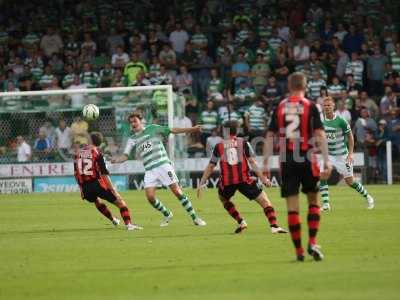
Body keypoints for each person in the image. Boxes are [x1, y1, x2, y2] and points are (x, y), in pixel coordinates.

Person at [264, 72, 332, 262]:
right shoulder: (310, 106)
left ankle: (299, 252)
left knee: (292, 207)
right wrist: (326, 161)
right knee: (313, 201)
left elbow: (270, 136)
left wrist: (264, 164)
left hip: (287, 160)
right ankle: (312, 241)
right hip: (308, 158)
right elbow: (319, 135)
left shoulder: (281, 106)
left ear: (289, 85)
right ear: (305, 86)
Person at [112, 111, 206, 227]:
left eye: (135, 121)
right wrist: (116, 160)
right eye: (131, 122)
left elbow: (172, 130)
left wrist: (192, 129)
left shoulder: (153, 128)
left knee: (177, 191)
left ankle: (195, 218)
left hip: (163, 165)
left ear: (141, 121)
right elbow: (125, 156)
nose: (133, 124)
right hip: (150, 170)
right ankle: (167, 214)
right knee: (150, 197)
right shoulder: (132, 139)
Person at [197, 120, 287, 234]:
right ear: (237, 131)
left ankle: (241, 221)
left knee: (223, 199)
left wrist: (202, 183)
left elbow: (211, 166)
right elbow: (252, 162)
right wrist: (263, 179)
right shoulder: (243, 143)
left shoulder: (219, 146)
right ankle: (274, 226)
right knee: (265, 201)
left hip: (227, 181)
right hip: (245, 179)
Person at [74, 132, 142, 231]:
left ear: (90, 140)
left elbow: (76, 173)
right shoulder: (97, 152)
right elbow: (104, 174)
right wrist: (113, 189)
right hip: (96, 184)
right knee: (121, 203)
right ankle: (129, 225)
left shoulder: (78, 153)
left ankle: (113, 220)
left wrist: (81, 189)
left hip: (85, 187)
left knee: (96, 201)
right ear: (99, 143)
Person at [319, 96, 375, 211]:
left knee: (350, 181)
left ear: (333, 106)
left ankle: (368, 197)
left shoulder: (340, 120)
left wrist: (350, 154)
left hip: (342, 155)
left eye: (329, 105)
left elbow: (350, 136)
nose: (327, 107)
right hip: (329, 155)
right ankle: (326, 204)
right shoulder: (321, 120)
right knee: (322, 175)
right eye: (325, 106)